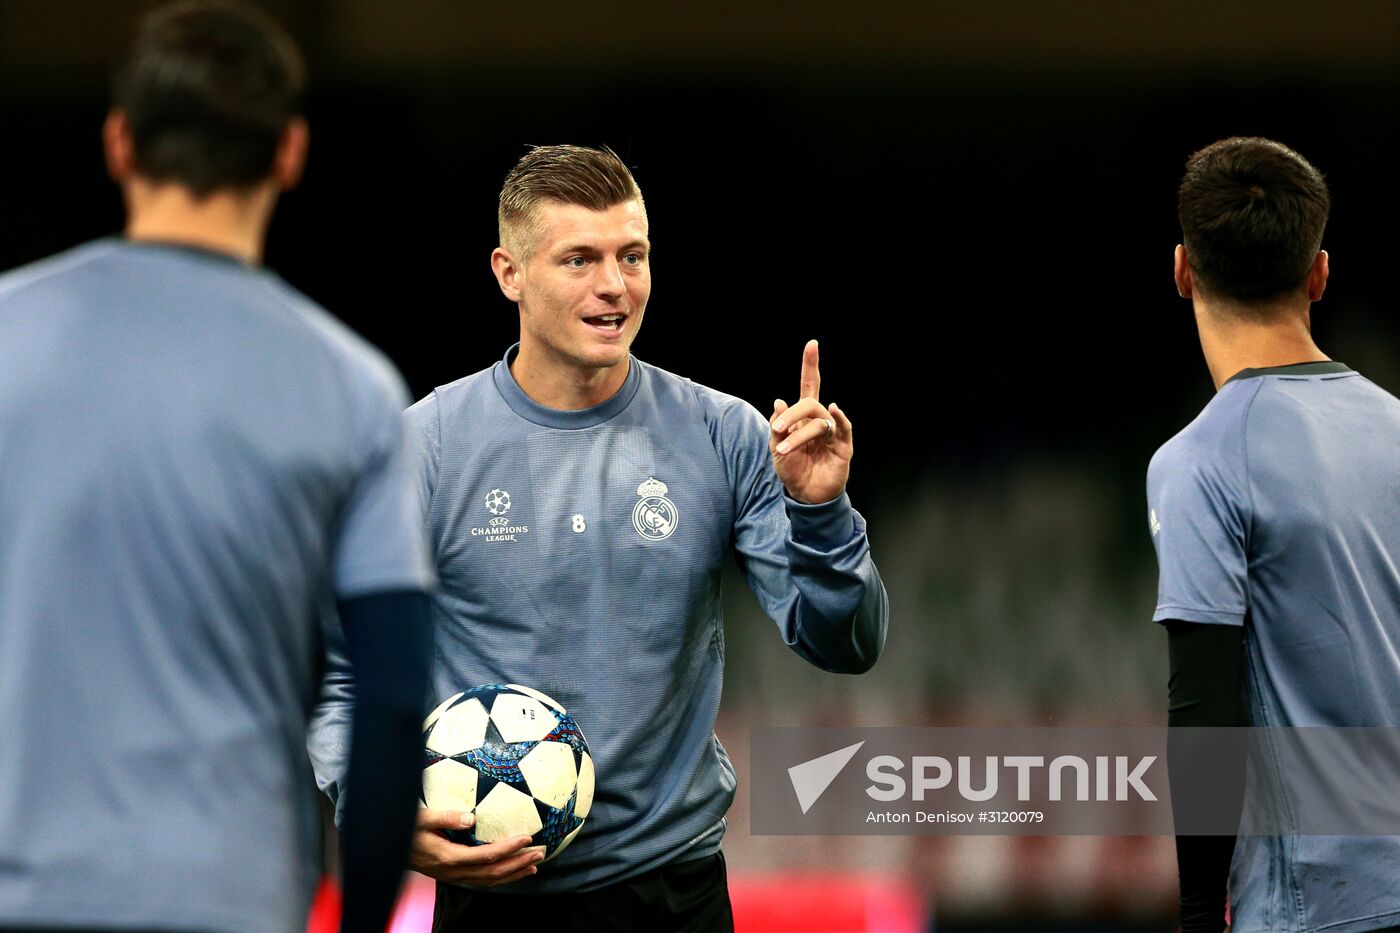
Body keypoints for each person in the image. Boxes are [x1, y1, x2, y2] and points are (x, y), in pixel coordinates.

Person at [310, 143, 888, 931]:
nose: (614, 286)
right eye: (579, 259)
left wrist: (820, 512)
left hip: (674, 893)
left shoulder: (726, 434)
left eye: (633, 255)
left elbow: (843, 643)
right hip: (493, 898)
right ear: (509, 273)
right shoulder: (426, 447)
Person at [0, 3, 434, 932]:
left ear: (119, 144)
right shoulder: (350, 388)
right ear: (289, 153)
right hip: (228, 896)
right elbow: (394, 698)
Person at [1150, 136, 1400, 933]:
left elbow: (1205, 708)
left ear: (1183, 269)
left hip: (1314, 908)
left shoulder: (1198, 461)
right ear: (1318, 272)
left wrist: (1197, 912)